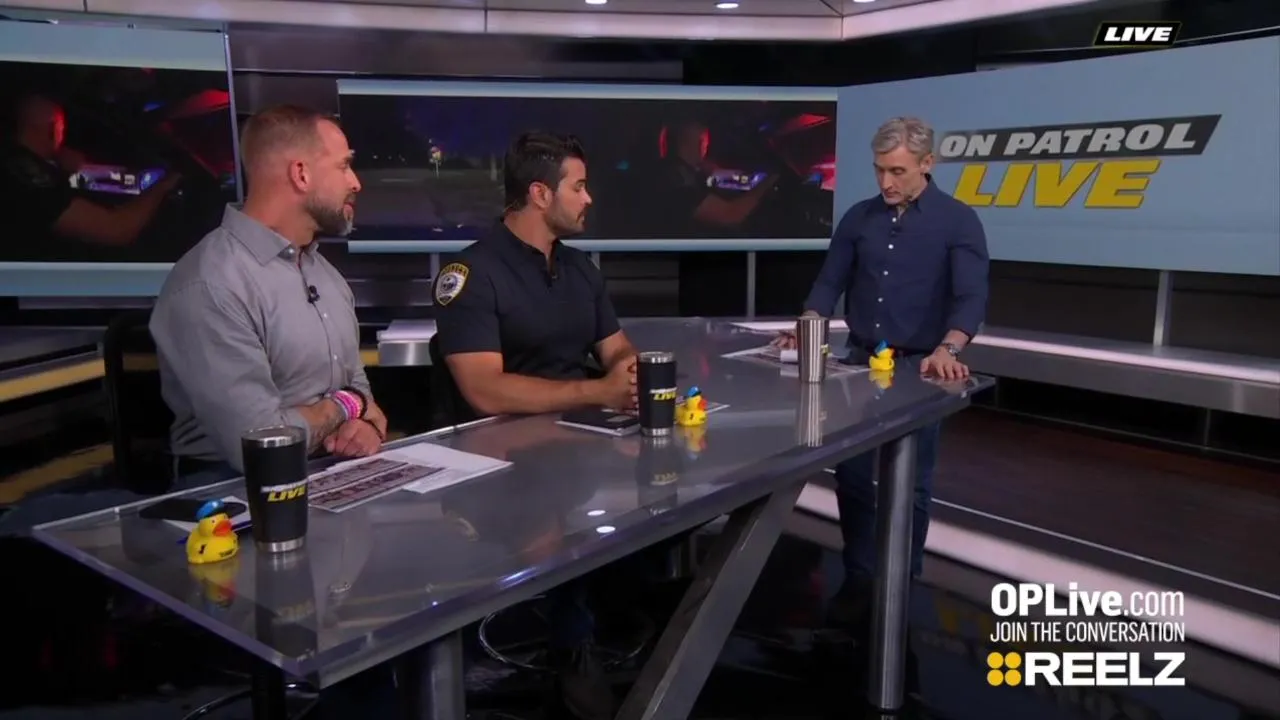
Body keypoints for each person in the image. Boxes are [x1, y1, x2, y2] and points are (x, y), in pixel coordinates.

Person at [431, 131, 636, 720]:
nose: (588, 198)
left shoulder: (579, 270)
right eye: (579, 187)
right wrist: (597, 390)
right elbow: (483, 388)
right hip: (495, 465)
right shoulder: (472, 272)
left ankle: (591, 637)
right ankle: (550, 652)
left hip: (579, 452)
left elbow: (617, 348)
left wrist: (628, 373)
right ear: (541, 194)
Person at [776, 116, 989, 633]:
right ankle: (860, 574)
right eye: (879, 170)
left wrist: (949, 347)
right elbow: (828, 284)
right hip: (858, 360)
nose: (886, 181)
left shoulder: (958, 222)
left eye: (897, 171)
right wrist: (807, 325)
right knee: (852, 474)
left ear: (927, 164)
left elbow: (970, 298)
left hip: (920, 366)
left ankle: (902, 578)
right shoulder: (859, 218)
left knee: (911, 482)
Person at [150, 104, 387, 478]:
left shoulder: (326, 276)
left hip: (330, 472)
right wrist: (346, 406)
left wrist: (367, 427)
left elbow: (362, 397)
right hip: (233, 490)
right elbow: (260, 442)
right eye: (343, 166)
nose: (355, 182)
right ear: (301, 174)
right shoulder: (211, 284)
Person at [1, 94, 179, 256]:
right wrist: (165, 184)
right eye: (62, 129)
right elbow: (117, 230)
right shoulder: (29, 180)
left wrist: (60, 168)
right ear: (52, 129)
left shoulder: (12, 157)